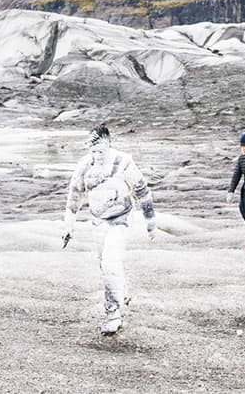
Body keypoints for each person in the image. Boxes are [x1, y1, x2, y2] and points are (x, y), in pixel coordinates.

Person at [62, 123, 156, 335]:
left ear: (110, 145)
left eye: (101, 151)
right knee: (105, 266)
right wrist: (69, 224)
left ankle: (113, 313)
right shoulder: (85, 165)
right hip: (98, 221)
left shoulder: (123, 162)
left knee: (110, 262)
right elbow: (75, 194)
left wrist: (151, 222)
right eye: (93, 151)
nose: (97, 155)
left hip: (121, 219)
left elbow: (142, 190)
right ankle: (120, 291)